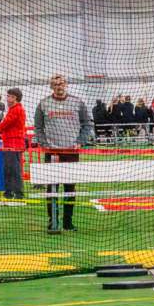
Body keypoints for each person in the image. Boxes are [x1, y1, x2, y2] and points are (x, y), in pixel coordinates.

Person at [34, 74, 94, 232]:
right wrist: (45, 145)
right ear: (51, 86)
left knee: (70, 187)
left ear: (66, 84)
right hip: (52, 153)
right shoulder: (43, 104)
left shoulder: (77, 102)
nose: (59, 86)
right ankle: (52, 221)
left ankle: (68, 222)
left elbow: (87, 124)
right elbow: (38, 128)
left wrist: (80, 141)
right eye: (55, 84)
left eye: (61, 83)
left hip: (71, 152)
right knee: (52, 187)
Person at [0, 88, 26, 199]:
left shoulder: (16, 109)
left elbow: (6, 123)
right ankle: (9, 192)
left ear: (15, 98)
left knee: (13, 169)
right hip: (11, 142)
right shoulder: (13, 109)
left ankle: (17, 193)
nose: (7, 98)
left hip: (14, 143)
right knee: (9, 168)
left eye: (10, 96)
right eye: (8, 96)